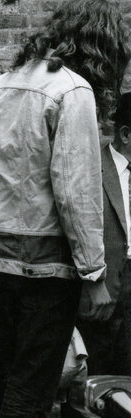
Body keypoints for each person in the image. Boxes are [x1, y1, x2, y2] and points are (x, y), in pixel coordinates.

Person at [0, 0, 131, 418]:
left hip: (2, 264)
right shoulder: (75, 92)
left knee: (30, 396)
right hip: (50, 269)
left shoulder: (0, 85)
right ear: (102, 48)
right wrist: (94, 272)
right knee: (29, 402)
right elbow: (77, 190)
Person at [77, 93, 131, 379]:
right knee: (93, 379)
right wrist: (92, 281)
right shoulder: (90, 166)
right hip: (104, 285)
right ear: (125, 133)